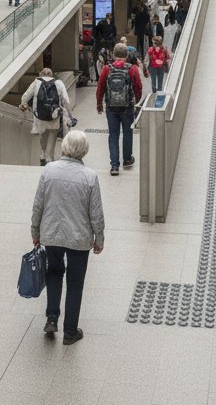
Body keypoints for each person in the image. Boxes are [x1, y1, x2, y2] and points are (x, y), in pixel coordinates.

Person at [30, 130, 104, 346]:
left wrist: (35, 231)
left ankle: (52, 318)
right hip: (79, 239)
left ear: (64, 148)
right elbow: (96, 213)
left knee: (53, 274)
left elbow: (38, 205)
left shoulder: (48, 170)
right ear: (84, 151)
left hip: (52, 234)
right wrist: (99, 238)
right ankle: (70, 331)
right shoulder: (90, 176)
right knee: (75, 282)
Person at [96, 42, 142, 175]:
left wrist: (99, 104)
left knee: (113, 135)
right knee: (127, 133)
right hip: (127, 107)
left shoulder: (106, 69)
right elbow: (138, 87)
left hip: (111, 107)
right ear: (126, 55)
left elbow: (100, 88)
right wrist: (136, 100)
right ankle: (127, 159)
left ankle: (114, 166)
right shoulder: (132, 68)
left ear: (114, 55)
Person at [20, 67, 73, 166]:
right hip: (54, 115)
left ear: (41, 74)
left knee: (42, 135)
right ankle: (50, 158)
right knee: (53, 136)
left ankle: (42, 154)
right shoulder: (59, 83)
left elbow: (25, 96)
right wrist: (70, 115)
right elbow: (66, 101)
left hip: (40, 116)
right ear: (51, 74)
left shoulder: (36, 82)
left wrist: (24, 104)